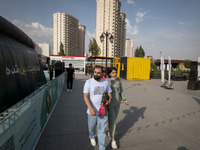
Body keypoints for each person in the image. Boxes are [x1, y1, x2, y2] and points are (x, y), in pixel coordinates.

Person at [83, 65, 112, 150]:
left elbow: (109, 94)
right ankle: (92, 136)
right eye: (95, 72)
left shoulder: (105, 82)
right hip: (92, 111)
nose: (96, 74)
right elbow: (85, 96)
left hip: (103, 111)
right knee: (91, 127)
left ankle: (102, 148)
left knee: (102, 131)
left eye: (98, 73)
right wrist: (90, 108)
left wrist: (109, 101)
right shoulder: (88, 82)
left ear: (102, 73)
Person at [106, 67, 129, 149]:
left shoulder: (118, 80)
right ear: (109, 73)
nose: (114, 74)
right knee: (113, 121)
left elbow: (121, 90)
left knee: (114, 119)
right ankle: (113, 140)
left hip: (118, 102)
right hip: (110, 103)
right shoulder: (106, 81)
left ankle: (110, 131)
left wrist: (124, 99)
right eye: (112, 72)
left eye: (115, 72)